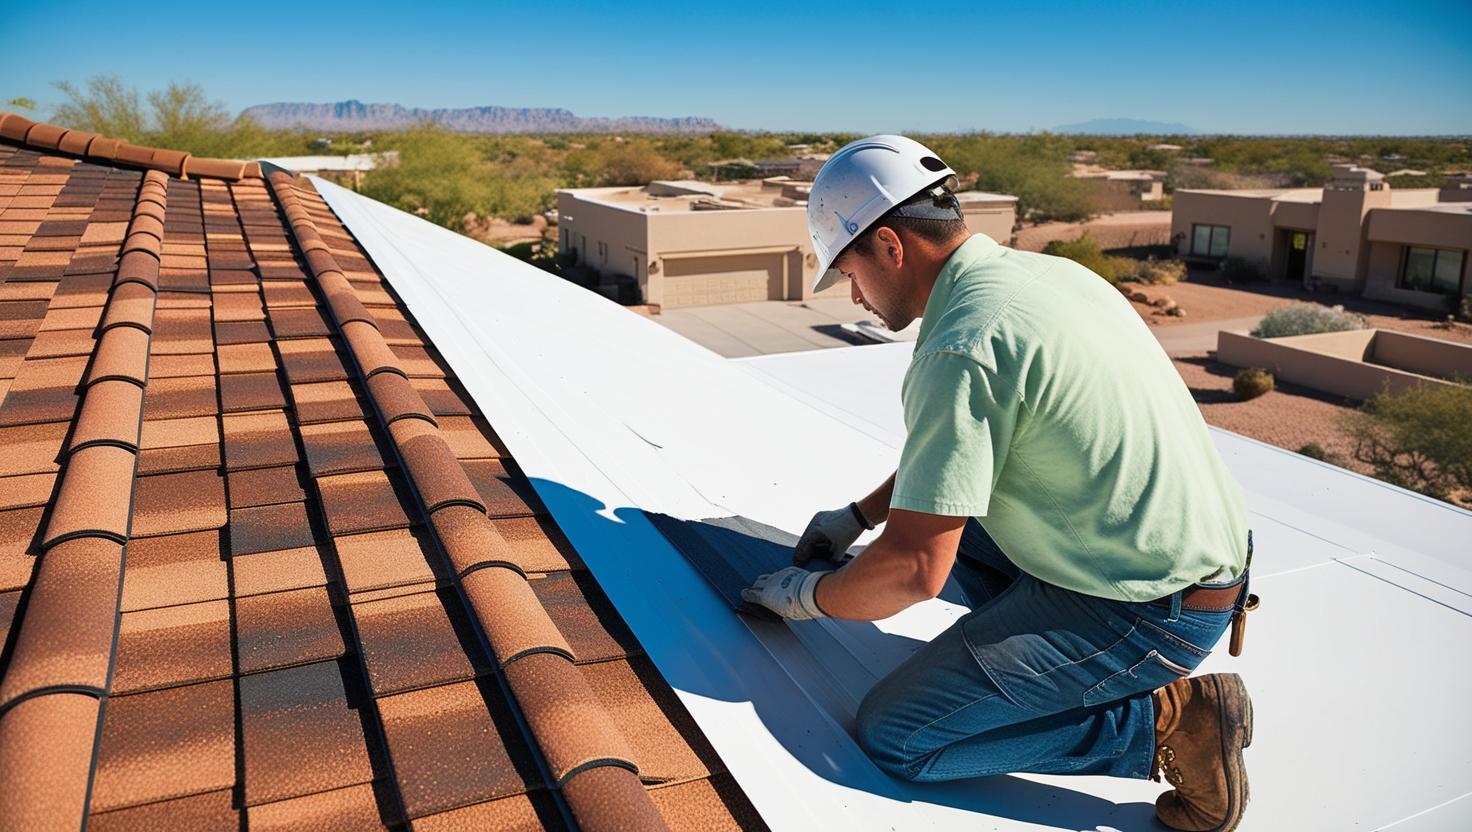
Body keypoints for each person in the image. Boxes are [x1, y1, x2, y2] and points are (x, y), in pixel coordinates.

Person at [741, 135, 1256, 832]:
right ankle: (1035, 661)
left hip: (1146, 610)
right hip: (1181, 561)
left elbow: (914, 573)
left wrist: (806, 598)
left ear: (890, 245)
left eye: (850, 272)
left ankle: (1167, 722)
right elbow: (961, 456)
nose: (855, 295)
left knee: (899, 736)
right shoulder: (1047, 276)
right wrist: (859, 516)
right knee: (943, 521)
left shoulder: (962, 344)